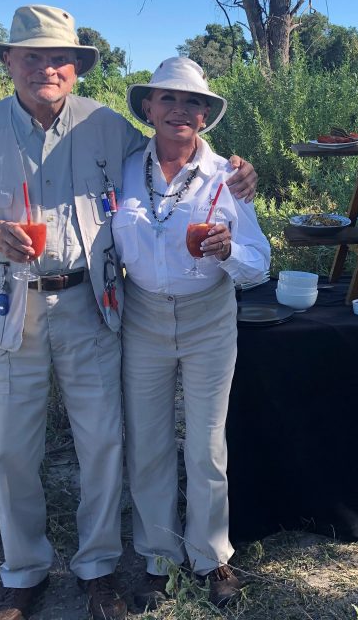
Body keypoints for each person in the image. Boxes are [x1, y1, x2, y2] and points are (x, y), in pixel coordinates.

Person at [0, 6, 257, 620]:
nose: (47, 67)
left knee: (103, 443)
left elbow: (176, 146)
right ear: (8, 61)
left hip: (90, 305)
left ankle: (98, 567)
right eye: (33, 55)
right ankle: (23, 572)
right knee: (12, 449)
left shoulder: (104, 127)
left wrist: (238, 170)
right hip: (9, 303)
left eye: (59, 57)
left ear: (77, 68)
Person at [111, 57, 270, 610]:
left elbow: (259, 262)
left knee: (206, 442)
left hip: (208, 316)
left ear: (205, 116)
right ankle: (158, 559)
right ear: (149, 109)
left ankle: (212, 555)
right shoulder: (125, 168)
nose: (180, 109)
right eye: (168, 99)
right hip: (143, 314)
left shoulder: (229, 175)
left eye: (193, 102)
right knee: (148, 442)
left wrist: (229, 252)